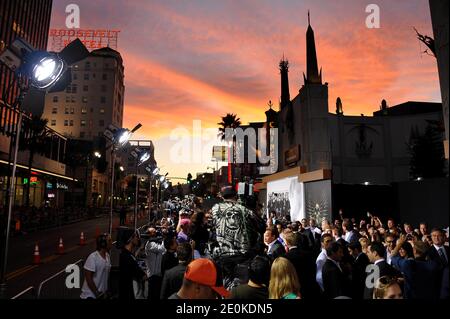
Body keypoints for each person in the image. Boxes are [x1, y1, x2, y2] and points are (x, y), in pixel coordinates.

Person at [284, 231, 320, 299]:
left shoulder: (285, 258)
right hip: (311, 290)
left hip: (295, 292)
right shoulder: (309, 255)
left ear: (287, 243)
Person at [80, 233, 112, 299]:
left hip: (101, 294)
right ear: (103, 244)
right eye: (109, 241)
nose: (111, 242)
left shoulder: (107, 256)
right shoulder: (93, 257)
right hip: (90, 295)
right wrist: (97, 293)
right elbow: (89, 278)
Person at [119, 229, 147, 299]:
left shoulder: (125, 254)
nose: (138, 238)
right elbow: (143, 276)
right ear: (131, 239)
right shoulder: (127, 258)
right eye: (136, 236)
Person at [144, 227, 166, 300]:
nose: (156, 232)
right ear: (149, 234)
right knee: (152, 295)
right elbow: (162, 249)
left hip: (158, 274)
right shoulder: (150, 244)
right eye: (153, 232)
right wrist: (164, 239)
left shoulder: (155, 242)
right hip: (153, 274)